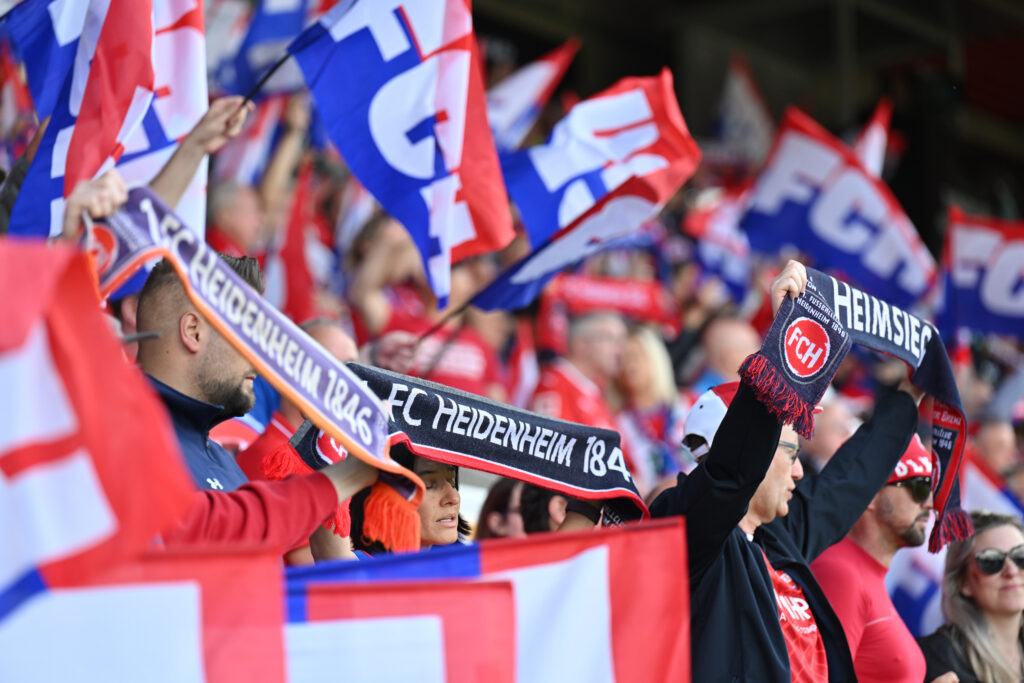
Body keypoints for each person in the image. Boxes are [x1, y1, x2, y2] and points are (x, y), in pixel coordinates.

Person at [650, 259, 924, 682]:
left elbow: (845, 485)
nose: (799, 472)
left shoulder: (776, 537)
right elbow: (731, 474)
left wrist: (910, 397)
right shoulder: (688, 530)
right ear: (749, 448)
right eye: (790, 454)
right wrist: (788, 340)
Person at [811, 434, 942, 682]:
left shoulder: (863, 573)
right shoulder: (841, 573)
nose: (930, 504)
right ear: (870, 493)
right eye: (920, 488)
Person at [135, 255, 261, 492]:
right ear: (193, 332)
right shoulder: (122, 442)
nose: (259, 360)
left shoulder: (224, 463)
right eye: (247, 336)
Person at [919, 511, 1024, 683]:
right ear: (962, 581)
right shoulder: (935, 659)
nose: (1011, 571)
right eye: (991, 561)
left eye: (1020, 556)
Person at [530, 311, 636, 472]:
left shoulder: (592, 390)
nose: (620, 351)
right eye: (610, 339)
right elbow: (554, 456)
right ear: (580, 345)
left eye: (622, 340)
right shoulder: (554, 383)